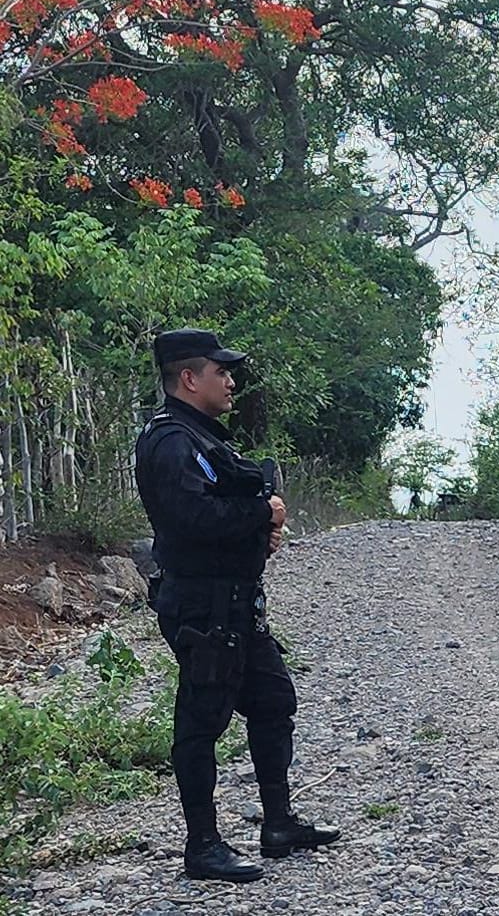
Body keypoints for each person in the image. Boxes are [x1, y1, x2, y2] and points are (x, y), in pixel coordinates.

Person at [135, 328, 339, 883]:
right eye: (220, 372)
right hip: (203, 607)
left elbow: (222, 510)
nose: (230, 381)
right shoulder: (171, 441)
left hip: (233, 602)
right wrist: (262, 516)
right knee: (201, 722)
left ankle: (279, 824)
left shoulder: (201, 437)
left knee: (273, 700)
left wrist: (259, 530)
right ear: (188, 378)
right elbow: (193, 521)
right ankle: (202, 846)